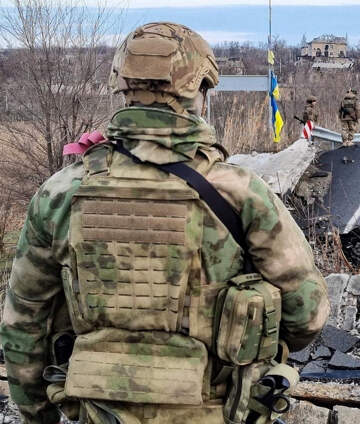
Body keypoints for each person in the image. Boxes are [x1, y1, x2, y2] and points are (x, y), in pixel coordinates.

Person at [0, 22, 329, 424]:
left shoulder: (61, 192)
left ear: (122, 89)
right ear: (199, 93)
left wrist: (37, 414)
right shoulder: (239, 192)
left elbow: (24, 322)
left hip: (96, 411)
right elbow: (306, 313)